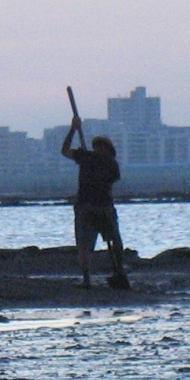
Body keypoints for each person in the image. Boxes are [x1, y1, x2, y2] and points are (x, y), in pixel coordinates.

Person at [61, 115, 130, 290]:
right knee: (111, 242)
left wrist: (73, 129)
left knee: (87, 245)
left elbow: (65, 150)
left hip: (89, 207)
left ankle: (90, 279)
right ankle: (118, 271)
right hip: (101, 207)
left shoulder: (89, 158)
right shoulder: (109, 163)